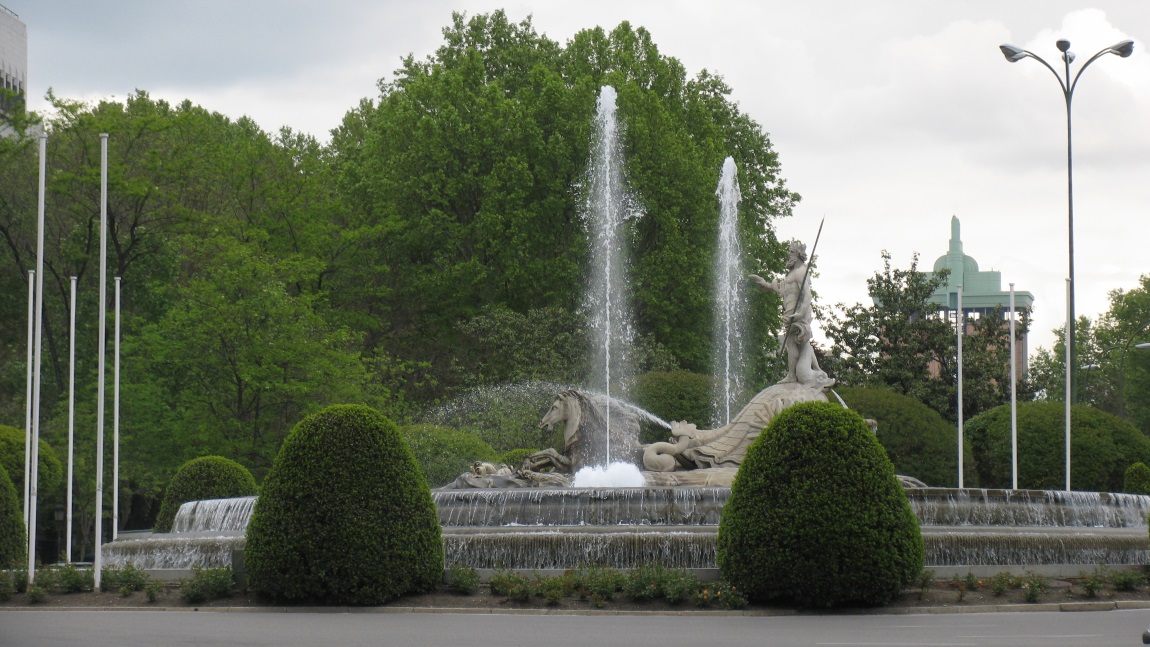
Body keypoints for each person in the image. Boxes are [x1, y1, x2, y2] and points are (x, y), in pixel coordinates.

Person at [749, 240, 834, 388]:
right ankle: (812, 371)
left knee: (793, 344)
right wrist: (766, 284)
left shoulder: (801, 272)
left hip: (797, 315)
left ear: (798, 255)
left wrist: (800, 313)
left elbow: (807, 295)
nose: (788, 255)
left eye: (791, 252)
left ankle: (793, 375)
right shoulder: (792, 274)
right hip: (790, 313)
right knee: (797, 344)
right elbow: (785, 290)